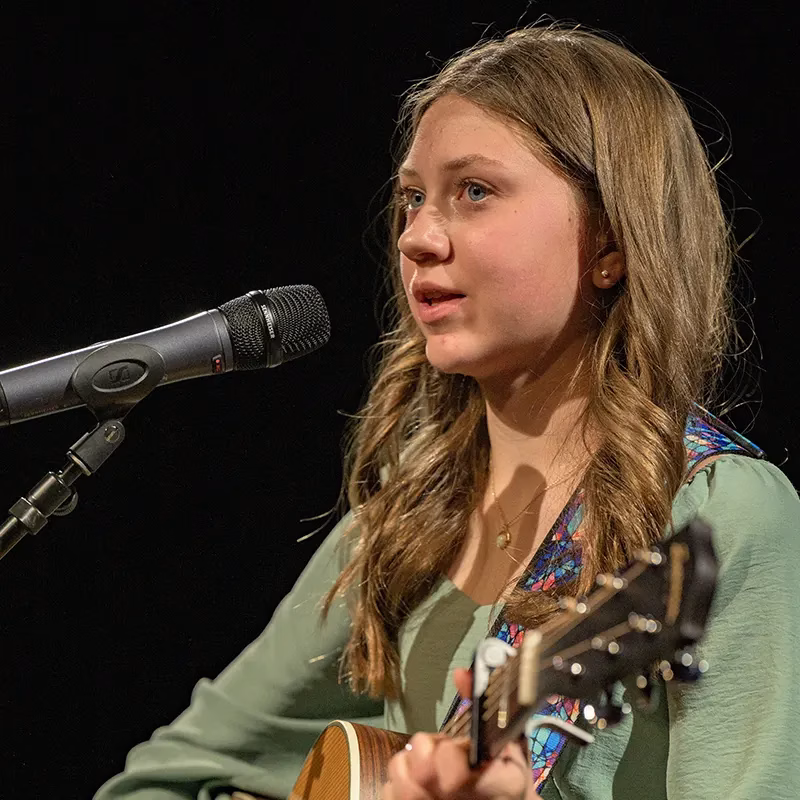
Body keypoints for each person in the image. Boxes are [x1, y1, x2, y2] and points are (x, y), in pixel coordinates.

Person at [94, 22, 800, 800]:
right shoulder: (409, 516)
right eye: (412, 199)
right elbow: (162, 779)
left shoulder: (720, 515)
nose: (418, 238)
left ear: (611, 241)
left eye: (475, 191)